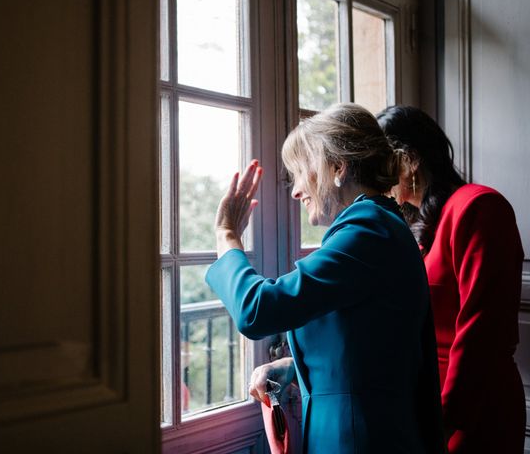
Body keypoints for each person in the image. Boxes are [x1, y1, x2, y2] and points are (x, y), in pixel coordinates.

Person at [205, 103, 445, 453]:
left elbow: (257, 310)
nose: (295, 190)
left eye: (301, 172)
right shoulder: (380, 225)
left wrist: (227, 234)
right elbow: (371, 347)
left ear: (338, 167)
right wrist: (292, 366)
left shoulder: (368, 231)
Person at [377, 105, 526, 453]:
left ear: (410, 159)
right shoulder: (419, 225)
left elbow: (482, 330)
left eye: (382, 165)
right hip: (424, 403)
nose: (377, 179)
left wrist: (443, 420)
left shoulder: (479, 206)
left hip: (473, 407)